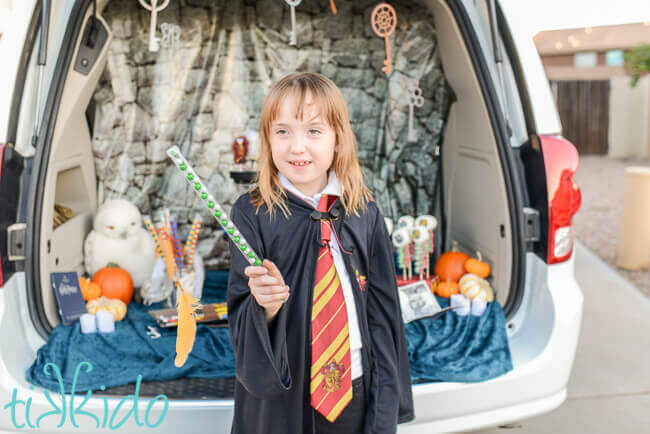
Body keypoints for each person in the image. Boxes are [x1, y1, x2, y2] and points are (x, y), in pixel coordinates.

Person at [227, 72, 414, 434]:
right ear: (267, 139)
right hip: (283, 400)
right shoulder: (251, 213)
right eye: (282, 131)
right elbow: (240, 319)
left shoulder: (364, 212)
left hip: (354, 393)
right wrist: (264, 306)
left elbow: (383, 316)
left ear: (338, 140)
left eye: (313, 131)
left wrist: (384, 411)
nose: (297, 147)